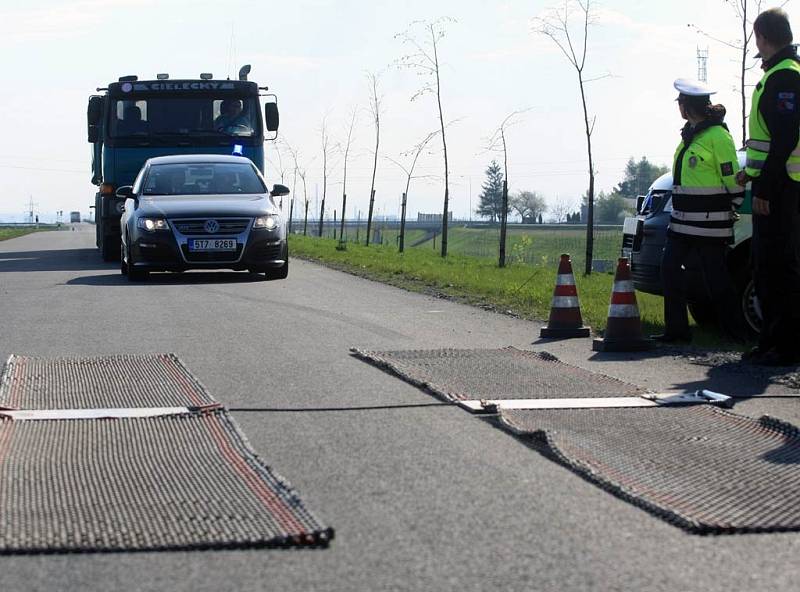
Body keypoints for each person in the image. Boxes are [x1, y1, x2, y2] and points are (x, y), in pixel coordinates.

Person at [651, 78, 746, 344]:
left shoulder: (718, 136)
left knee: (716, 279)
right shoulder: (690, 135)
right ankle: (676, 332)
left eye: (680, 103)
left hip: (709, 224)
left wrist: (732, 207)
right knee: (669, 270)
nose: (678, 108)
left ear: (686, 106)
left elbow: (731, 179)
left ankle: (735, 335)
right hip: (681, 223)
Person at [736, 8, 800, 365]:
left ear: (761, 36)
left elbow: (785, 138)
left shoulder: (785, 77)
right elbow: (768, 142)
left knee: (780, 267)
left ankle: (787, 346)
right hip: (774, 182)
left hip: (782, 188)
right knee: (766, 266)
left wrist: (764, 189)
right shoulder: (777, 74)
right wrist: (752, 173)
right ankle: (771, 340)